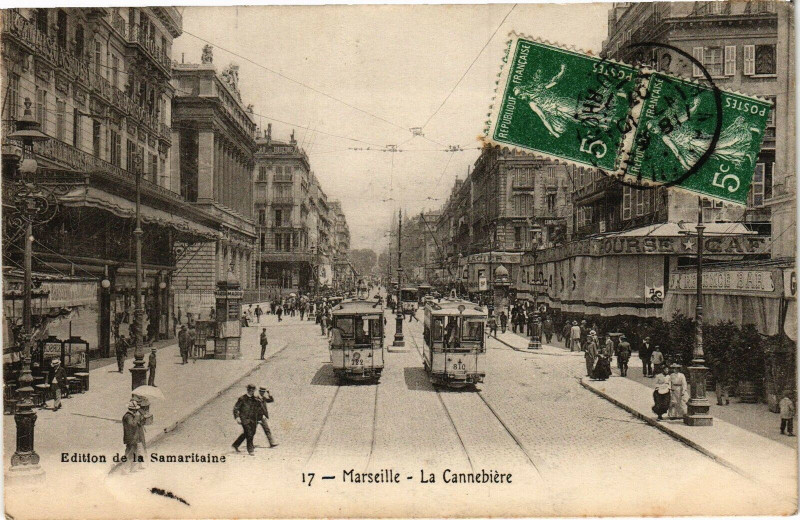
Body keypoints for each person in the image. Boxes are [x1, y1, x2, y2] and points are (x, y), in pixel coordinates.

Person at [233, 384, 262, 455]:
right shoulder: (242, 398)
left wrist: (259, 418)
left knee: (251, 433)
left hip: (253, 420)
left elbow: (259, 409)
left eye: (253, 390)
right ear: (248, 390)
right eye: (250, 390)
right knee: (249, 434)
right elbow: (236, 408)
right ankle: (250, 449)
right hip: (244, 419)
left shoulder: (255, 399)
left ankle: (236, 444)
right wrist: (237, 417)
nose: (252, 392)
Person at [122, 400, 141, 472]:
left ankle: (132, 468)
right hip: (131, 438)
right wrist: (136, 418)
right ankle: (125, 469)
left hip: (133, 438)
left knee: (133, 452)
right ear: (133, 410)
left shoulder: (130, 416)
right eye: (135, 410)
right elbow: (132, 424)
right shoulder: (128, 416)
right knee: (129, 453)